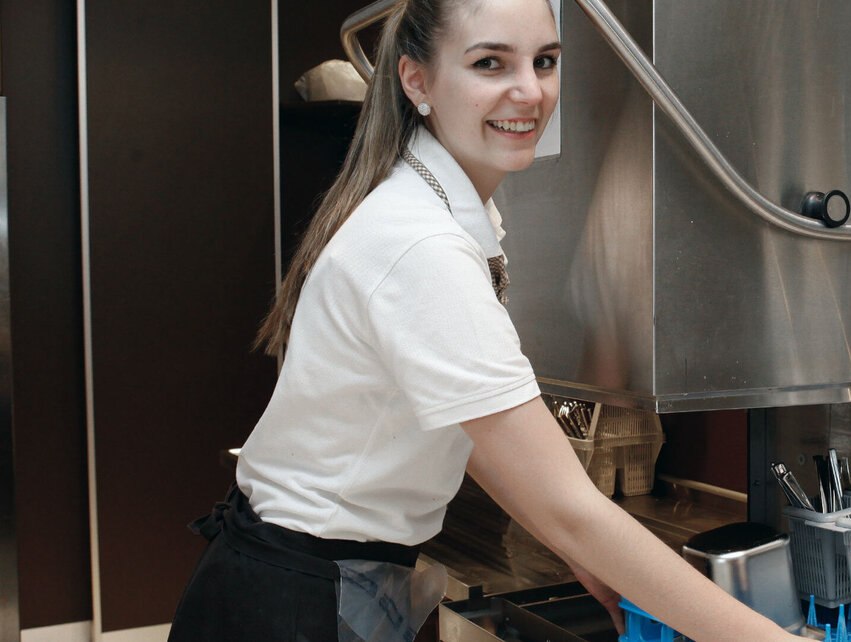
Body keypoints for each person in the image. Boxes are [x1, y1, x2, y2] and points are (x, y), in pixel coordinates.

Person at [169, 0, 811, 640]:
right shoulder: (422, 246)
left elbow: (474, 427)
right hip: (288, 601)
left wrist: (584, 552)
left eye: (546, 61)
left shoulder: (442, 211)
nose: (530, 91)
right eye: (489, 63)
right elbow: (569, 506)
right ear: (416, 80)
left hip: (304, 578)